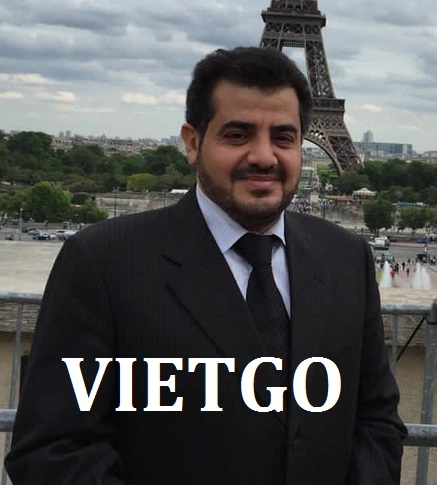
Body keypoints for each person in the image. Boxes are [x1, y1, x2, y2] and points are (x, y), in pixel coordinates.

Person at [5, 46, 406, 485]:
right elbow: (55, 450)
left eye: (283, 137)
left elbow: (375, 418)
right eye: (238, 135)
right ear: (193, 143)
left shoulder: (346, 258)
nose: (264, 156)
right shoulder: (102, 263)